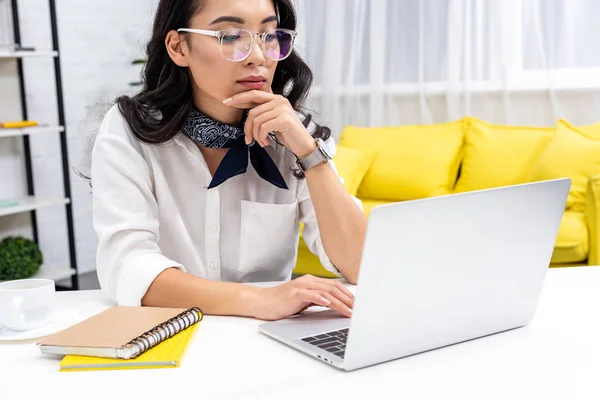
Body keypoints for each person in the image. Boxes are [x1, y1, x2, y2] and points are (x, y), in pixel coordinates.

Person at [91, 0, 367, 321]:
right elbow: (128, 265)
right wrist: (258, 300)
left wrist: (309, 153)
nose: (258, 57)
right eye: (231, 36)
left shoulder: (296, 135)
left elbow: (362, 264)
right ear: (179, 47)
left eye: (267, 35)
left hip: (266, 341)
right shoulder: (130, 130)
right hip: (168, 333)